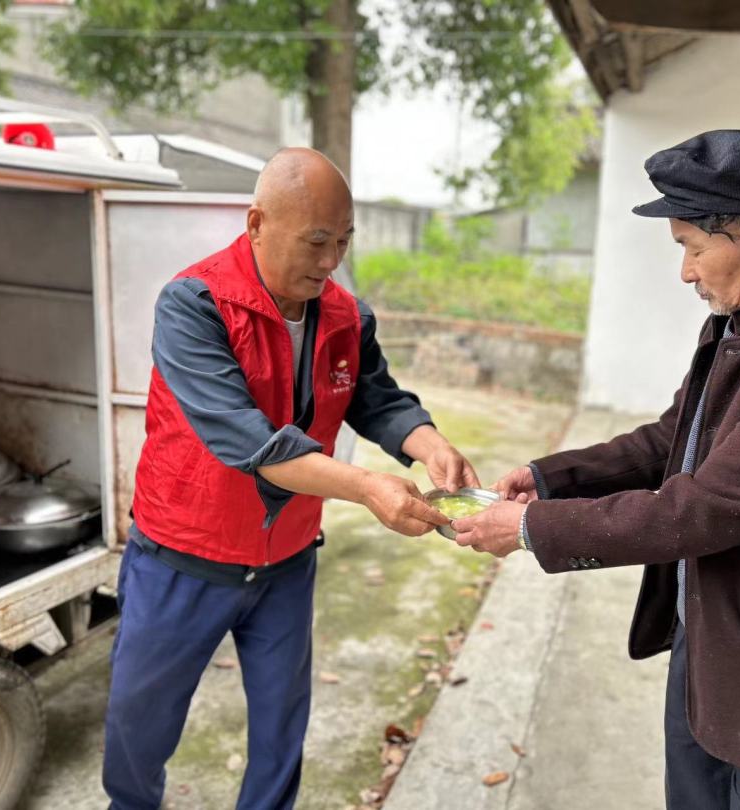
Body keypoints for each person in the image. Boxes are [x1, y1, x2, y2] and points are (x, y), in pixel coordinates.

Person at [453, 130, 740, 810]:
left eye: (692, 246)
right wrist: (554, 476)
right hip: (714, 650)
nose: (686, 271)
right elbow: (674, 439)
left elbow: (701, 507)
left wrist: (532, 527)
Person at [103, 147, 476, 810]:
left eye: (343, 241)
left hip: (287, 562)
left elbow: (377, 398)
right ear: (255, 223)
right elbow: (248, 442)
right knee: (141, 727)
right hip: (183, 559)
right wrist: (367, 489)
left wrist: (427, 443)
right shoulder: (194, 305)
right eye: (316, 241)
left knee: (281, 728)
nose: (331, 260)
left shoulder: (346, 317)